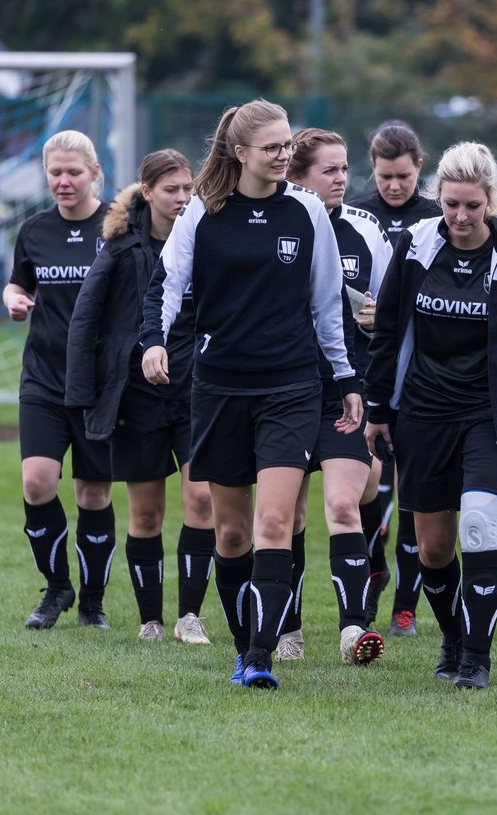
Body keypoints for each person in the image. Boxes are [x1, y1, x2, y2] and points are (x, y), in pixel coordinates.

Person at [139, 99, 374, 691]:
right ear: (239, 152)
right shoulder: (202, 213)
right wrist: (154, 342)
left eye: (288, 145)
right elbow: (165, 286)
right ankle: (246, 644)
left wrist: (344, 379)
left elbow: (326, 308)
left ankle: (261, 658)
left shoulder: (307, 213)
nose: (283, 155)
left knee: (276, 521)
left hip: (290, 387)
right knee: (233, 534)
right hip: (219, 390)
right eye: (272, 147)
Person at [364, 142, 497, 690]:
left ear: (491, 200)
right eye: (451, 205)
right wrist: (379, 407)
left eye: (473, 206)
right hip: (422, 414)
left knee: (477, 526)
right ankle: (451, 639)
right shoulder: (416, 245)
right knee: (434, 547)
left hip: (492, 419)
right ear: (438, 198)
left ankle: (477, 659)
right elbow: (388, 329)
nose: (461, 217)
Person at [65, 149, 215, 644]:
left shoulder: (208, 240)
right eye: (171, 189)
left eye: (188, 188)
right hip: (135, 396)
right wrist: (82, 395)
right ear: (146, 192)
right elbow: (85, 321)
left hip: (198, 392)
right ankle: (151, 619)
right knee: (147, 513)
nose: (181, 198)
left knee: (201, 499)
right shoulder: (119, 249)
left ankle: (189, 616)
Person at [276, 127, 392, 662]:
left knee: (347, 502)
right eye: (329, 169)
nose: (342, 178)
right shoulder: (277, 225)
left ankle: (352, 629)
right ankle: (288, 629)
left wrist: (376, 319)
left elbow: (395, 309)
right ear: (297, 176)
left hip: (345, 394)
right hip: (284, 394)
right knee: (289, 519)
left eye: (345, 168)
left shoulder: (365, 231)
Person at [4, 130, 115, 630]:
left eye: (73, 172)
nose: (64, 181)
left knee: (94, 494)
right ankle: (56, 588)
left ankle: (92, 604)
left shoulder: (118, 226)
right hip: (44, 379)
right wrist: (13, 299)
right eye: (55, 173)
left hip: (98, 385)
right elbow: (19, 281)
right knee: (36, 482)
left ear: (94, 172)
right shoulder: (34, 230)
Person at [350, 121, 443, 637]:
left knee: (412, 489)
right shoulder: (359, 214)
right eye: (385, 176)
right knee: (365, 486)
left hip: (421, 371)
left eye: (403, 176)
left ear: (419, 169)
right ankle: (370, 567)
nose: (393, 186)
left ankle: (405, 606)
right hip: (366, 367)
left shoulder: (438, 216)